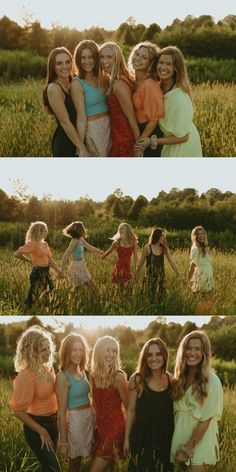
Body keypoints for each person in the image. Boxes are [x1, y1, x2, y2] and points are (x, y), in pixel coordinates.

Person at [10, 325, 61, 472]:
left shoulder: (49, 369)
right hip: (36, 427)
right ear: (32, 352)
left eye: (48, 347)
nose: (48, 352)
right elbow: (18, 411)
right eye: (43, 349)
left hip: (53, 423)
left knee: (47, 468)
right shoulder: (26, 376)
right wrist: (41, 431)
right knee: (54, 469)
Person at [171, 330, 223, 471]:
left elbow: (206, 419)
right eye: (188, 348)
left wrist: (187, 448)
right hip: (180, 437)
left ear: (204, 353)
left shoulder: (212, 381)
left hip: (199, 440)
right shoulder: (179, 379)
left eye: (197, 349)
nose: (192, 352)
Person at [137, 46, 202, 157]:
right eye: (161, 62)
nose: (163, 67)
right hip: (169, 141)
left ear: (177, 68)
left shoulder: (179, 97)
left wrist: (152, 141)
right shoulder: (157, 86)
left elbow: (183, 137)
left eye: (169, 64)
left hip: (182, 147)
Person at [124, 338, 174, 472]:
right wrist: (126, 440)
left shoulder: (170, 379)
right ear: (144, 358)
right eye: (149, 355)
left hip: (165, 438)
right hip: (143, 438)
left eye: (158, 354)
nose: (154, 358)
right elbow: (131, 410)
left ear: (164, 355)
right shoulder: (137, 379)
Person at [89, 336, 128, 472]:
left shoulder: (118, 377)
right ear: (99, 352)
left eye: (114, 351)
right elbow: (95, 404)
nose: (111, 354)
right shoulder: (94, 376)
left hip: (114, 431)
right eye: (108, 350)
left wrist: (128, 438)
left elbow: (129, 408)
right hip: (100, 430)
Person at [56, 333, 94, 472]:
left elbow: (87, 396)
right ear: (66, 351)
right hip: (75, 421)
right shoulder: (62, 377)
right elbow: (61, 412)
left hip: (88, 419)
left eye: (81, 349)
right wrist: (63, 441)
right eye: (74, 350)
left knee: (86, 459)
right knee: (74, 463)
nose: (78, 353)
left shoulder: (82, 372)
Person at [43, 46, 89, 157]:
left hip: (82, 137)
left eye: (68, 62)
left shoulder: (76, 82)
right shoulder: (54, 88)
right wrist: (81, 147)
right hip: (67, 142)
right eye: (59, 63)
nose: (64, 66)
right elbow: (65, 122)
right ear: (52, 67)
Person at [71, 40, 111, 156]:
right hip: (93, 129)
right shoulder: (77, 84)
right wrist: (81, 145)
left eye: (91, 57)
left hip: (110, 125)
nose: (87, 62)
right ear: (78, 60)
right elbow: (81, 117)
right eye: (83, 58)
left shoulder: (105, 78)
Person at [99, 42, 140, 157]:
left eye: (109, 57)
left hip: (124, 137)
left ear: (117, 59)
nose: (104, 61)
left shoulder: (118, 84)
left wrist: (138, 145)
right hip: (117, 133)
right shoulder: (115, 79)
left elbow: (131, 116)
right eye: (101, 57)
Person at [128, 41, 164, 157]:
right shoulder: (133, 80)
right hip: (138, 130)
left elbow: (154, 119)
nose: (138, 58)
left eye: (144, 57)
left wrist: (140, 143)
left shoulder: (149, 84)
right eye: (137, 54)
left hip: (148, 133)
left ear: (150, 63)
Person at [14, 221, 61, 308]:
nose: (45, 233)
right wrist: (31, 261)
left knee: (51, 289)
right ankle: (26, 309)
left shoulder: (44, 243)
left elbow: (50, 259)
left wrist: (59, 271)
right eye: (43, 231)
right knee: (33, 294)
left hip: (46, 272)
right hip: (37, 272)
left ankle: (43, 307)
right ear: (37, 231)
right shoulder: (33, 244)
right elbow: (17, 254)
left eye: (45, 230)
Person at [136, 228, 180, 301]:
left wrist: (178, 274)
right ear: (156, 235)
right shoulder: (147, 248)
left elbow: (172, 262)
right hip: (149, 278)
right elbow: (141, 263)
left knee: (160, 299)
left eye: (164, 236)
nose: (164, 238)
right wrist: (136, 273)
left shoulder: (164, 248)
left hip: (160, 278)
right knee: (148, 299)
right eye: (162, 235)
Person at [60, 221, 103, 287]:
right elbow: (66, 254)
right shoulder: (75, 241)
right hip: (76, 267)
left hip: (81, 265)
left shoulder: (80, 239)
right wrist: (61, 270)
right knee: (78, 289)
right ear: (80, 230)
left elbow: (89, 247)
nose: (84, 230)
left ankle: (96, 297)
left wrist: (99, 251)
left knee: (91, 287)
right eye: (83, 228)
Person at [188, 226, 213, 293]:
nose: (201, 236)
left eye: (202, 233)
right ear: (194, 236)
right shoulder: (195, 248)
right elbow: (193, 265)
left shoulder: (205, 247)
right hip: (200, 279)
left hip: (208, 279)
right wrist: (188, 280)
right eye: (198, 234)